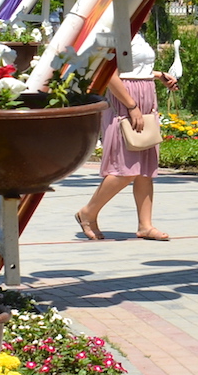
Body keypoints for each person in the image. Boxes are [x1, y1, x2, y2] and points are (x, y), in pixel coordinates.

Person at [74, 33, 172, 242]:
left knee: (145, 169)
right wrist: (131, 106)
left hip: (145, 100)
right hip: (125, 103)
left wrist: (157, 75)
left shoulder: (137, 32)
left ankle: (145, 225)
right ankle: (88, 212)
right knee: (123, 169)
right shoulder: (112, 34)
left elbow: (133, 68)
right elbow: (108, 73)